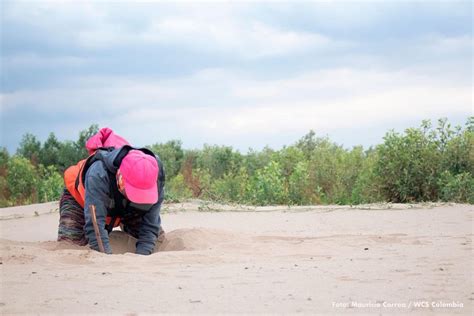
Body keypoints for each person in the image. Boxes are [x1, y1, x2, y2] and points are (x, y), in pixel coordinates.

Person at [57, 128, 165, 255]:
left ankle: (125, 224)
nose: (137, 196)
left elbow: (150, 226)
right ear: (120, 177)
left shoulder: (155, 173)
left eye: (142, 193)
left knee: (157, 239)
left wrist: (142, 257)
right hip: (80, 199)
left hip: (123, 207)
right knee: (70, 245)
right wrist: (107, 261)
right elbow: (95, 226)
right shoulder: (98, 175)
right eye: (134, 191)